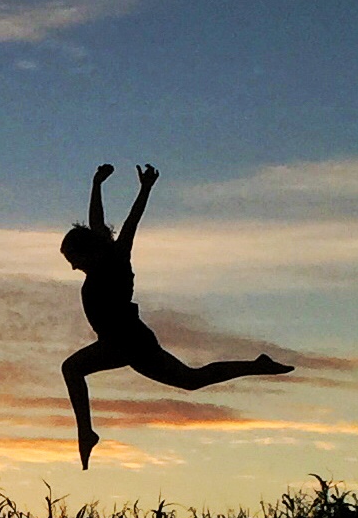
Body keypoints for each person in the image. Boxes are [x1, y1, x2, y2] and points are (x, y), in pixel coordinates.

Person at [61, 162, 292, 469]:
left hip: (125, 340)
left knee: (72, 368)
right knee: (191, 380)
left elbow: (131, 224)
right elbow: (96, 223)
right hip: (129, 343)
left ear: (88, 252)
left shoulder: (114, 262)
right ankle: (257, 365)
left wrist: (145, 189)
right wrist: (97, 184)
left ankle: (86, 433)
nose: (73, 267)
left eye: (73, 259)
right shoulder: (101, 258)